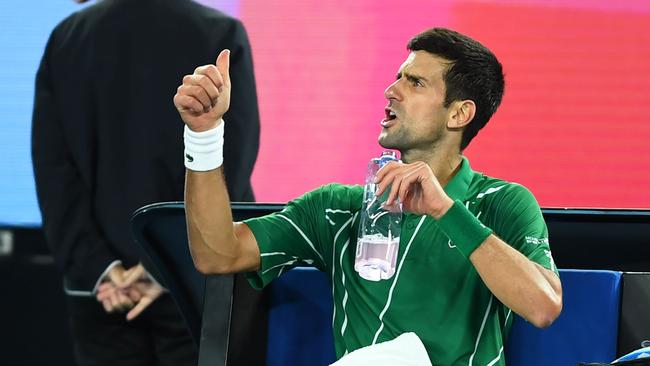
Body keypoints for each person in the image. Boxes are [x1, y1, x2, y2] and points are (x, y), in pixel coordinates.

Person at [175, 28, 562, 365]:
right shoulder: (336, 208)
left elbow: (543, 306)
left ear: (459, 114)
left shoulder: (502, 202)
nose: (390, 91)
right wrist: (205, 134)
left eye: (415, 83)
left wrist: (445, 209)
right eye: (398, 77)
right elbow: (217, 253)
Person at [31, 0, 259, 364]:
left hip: (105, 292)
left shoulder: (68, 37)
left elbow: (53, 168)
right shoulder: (219, 34)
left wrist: (99, 268)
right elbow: (230, 161)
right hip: (197, 284)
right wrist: (167, 265)